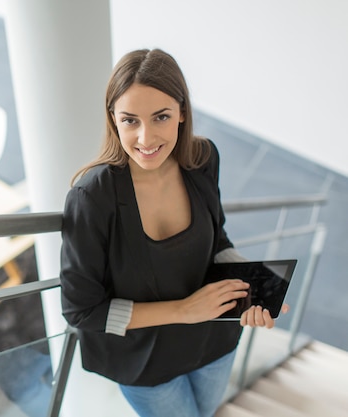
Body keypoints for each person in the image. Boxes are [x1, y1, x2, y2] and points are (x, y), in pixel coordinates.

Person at [59, 48, 288, 417]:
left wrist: (258, 287)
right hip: (145, 364)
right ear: (113, 120)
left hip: (215, 341)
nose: (145, 138)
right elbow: (82, 310)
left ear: (182, 112)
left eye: (161, 117)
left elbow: (219, 242)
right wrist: (183, 310)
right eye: (130, 120)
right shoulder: (92, 198)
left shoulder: (202, 159)